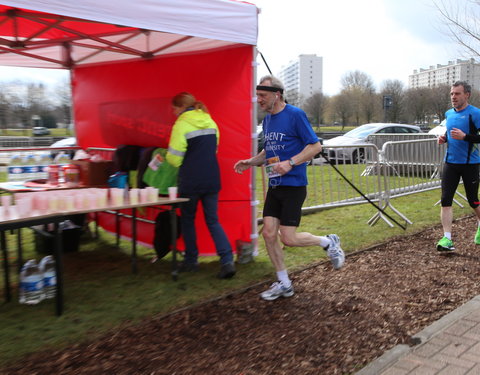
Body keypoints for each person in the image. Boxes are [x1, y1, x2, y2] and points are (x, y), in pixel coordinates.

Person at [234, 75, 345, 301]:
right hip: (275, 185)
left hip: (294, 185)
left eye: (263, 96)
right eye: (257, 95)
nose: (259, 100)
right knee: (267, 233)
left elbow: (315, 146)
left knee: (289, 239)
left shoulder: (295, 115)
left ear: (277, 94)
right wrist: (250, 161)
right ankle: (284, 283)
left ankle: (327, 241)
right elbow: (269, 151)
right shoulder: (267, 120)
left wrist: (291, 162)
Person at [166, 92, 236, 279]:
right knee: (212, 221)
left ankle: (191, 260)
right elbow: (214, 148)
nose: (173, 112)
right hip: (212, 178)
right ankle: (227, 260)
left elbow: (173, 158)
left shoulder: (181, 124)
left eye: (174, 108)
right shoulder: (210, 121)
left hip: (190, 180)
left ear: (181, 107)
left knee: (188, 220)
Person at [436, 81, 480, 252]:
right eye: (452, 94)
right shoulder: (449, 113)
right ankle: (447, 239)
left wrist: (465, 137)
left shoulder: (475, 113)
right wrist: (444, 138)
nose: (453, 97)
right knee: (445, 199)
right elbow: (450, 132)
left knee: (473, 200)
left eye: (457, 94)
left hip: (470, 164)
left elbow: (470, 136)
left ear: (466, 95)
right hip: (450, 163)